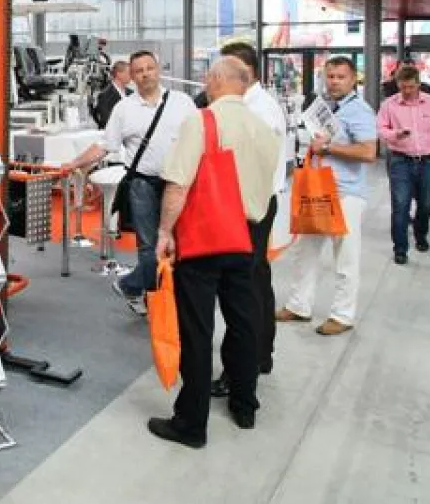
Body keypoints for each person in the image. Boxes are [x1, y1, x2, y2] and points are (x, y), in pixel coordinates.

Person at [147, 56, 280, 447]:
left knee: (197, 328)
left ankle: (191, 423)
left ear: (217, 80)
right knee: (244, 321)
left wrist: (164, 232)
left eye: (209, 76)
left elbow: (177, 184)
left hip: (206, 239)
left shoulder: (202, 121)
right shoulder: (263, 126)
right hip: (248, 237)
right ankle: (245, 405)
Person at [61, 51, 196, 314]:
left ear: (158, 70)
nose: (145, 74)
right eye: (139, 70)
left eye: (150, 68)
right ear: (131, 76)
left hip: (178, 184)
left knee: (179, 243)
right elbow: (105, 146)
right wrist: (74, 164)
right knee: (149, 247)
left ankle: (132, 286)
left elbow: (199, 138)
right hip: (141, 184)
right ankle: (154, 302)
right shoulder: (124, 109)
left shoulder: (183, 103)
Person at [209, 43, 287, 394]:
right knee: (257, 282)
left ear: (246, 73)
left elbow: (246, 166)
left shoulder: (257, 109)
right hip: (256, 204)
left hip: (250, 209)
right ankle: (260, 355)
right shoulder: (255, 105)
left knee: (241, 293)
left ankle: (239, 371)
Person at [278, 56, 377, 335]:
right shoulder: (324, 106)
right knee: (305, 251)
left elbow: (368, 152)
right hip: (319, 189)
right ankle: (299, 305)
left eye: (340, 77)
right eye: (330, 76)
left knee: (345, 255)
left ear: (353, 79)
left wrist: (330, 148)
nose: (334, 82)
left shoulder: (359, 111)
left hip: (345, 194)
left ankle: (343, 315)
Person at [377, 66, 430, 264]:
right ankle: (400, 248)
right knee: (400, 204)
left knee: (426, 202)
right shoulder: (389, 105)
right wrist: (395, 134)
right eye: (403, 87)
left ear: (419, 84)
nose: (407, 91)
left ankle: (421, 235)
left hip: (427, 160)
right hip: (400, 160)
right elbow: (380, 128)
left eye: (411, 87)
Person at [93, 60, 131, 129]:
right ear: (119, 74)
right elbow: (106, 120)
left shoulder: (131, 93)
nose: (131, 76)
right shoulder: (104, 95)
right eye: (129, 73)